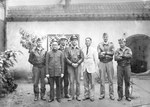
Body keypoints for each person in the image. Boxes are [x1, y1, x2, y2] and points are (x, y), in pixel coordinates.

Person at [65, 35, 84, 101]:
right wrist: (72, 63)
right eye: (73, 40)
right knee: (71, 81)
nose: (74, 41)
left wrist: (78, 63)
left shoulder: (80, 49)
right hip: (70, 66)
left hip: (78, 66)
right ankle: (71, 95)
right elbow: (66, 58)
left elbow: (82, 58)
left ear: (77, 41)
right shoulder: (68, 49)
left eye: (75, 40)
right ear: (71, 41)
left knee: (78, 81)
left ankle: (78, 95)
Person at [97, 33, 115, 100]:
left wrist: (106, 53)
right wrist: (104, 54)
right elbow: (99, 54)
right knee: (102, 79)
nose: (105, 38)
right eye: (104, 37)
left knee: (110, 79)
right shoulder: (100, 44)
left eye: (106, 37)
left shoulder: (111, 44)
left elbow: (113, 53)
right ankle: (102, 94)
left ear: (108, 37)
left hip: (109, 63)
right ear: (102, 37)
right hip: (102, 63)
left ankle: (111, 94)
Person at [82, 37, 97, 102]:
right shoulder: (83, 49)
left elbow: (96, 60)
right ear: (85, 42)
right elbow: (82, 59)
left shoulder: (93, 49)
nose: (87, 42)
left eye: (88, 41)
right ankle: (86, 95)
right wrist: (82, 66)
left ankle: (92, 96)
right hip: (85, 67)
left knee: (92, 83)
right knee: (85, 83)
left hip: (91, 67)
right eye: (86, 41)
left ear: (91, 42)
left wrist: (95, 68)